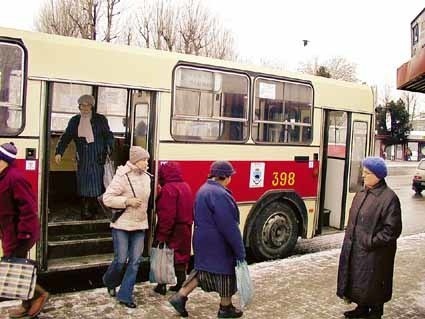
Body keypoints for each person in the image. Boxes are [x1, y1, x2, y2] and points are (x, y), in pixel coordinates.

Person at [169, 161, 245, 318]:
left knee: (203, 270)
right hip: (217, 241)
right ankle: (226, 308)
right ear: (226, 176)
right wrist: (240, 250)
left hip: (201, 238)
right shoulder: (220, 194)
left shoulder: (204, 189)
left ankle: (180, 296)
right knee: (226, 271)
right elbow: (228, 226)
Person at [337, 157, 402, 319]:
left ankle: (375, 312)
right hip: (358, 249)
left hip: (375, 253)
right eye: (363, 172)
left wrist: (371, 242)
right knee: (360, 281)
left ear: (378, 175)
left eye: (367, 173)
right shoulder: (362, 193)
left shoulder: (389, 198)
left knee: (374, 282)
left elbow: (392, 230)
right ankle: (362, 307)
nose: (363, 176)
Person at [0, 142, 49, 318]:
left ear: (3, 160)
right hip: (9, 232)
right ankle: (25, 304)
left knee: (13, 267)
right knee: (15, 266)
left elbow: (28, 209)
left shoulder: (14, 178)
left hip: (21, 233)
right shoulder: (3, 177)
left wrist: (24, 234)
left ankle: (40, 295)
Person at [102, 146, 151, 308]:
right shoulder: (122, 176)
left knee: (135, 261)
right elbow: (107, 198)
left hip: (140, 224)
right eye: (144, 160)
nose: (146, 163)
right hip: (122, 225)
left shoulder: (147, 177)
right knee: (121, 260)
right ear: (136, 161)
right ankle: (109, 281)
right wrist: (127, 201)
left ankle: (125, 295)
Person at [55, 94, 114, 220]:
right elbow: (66, 137)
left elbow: (108, 135)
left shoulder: (100, 120)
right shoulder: (75, 121)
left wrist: (109, 148)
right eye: (83, 106)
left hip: (98, 157)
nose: (85, 109)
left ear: (92, 107)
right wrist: (59, 152)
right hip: (83, 158)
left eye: (88, 106)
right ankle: (85, 209)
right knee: (83, 183)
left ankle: (94, 207)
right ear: (79, 107)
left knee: (97, 183)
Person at [153, 161, 194, 295]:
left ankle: (161, 285)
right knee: (181, 257)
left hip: (174, 229)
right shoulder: (185, 186)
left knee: (165, 256)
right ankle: (181, 284)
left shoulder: (168, 189)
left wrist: (162, 235)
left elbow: (167, 216)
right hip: (186, 227)